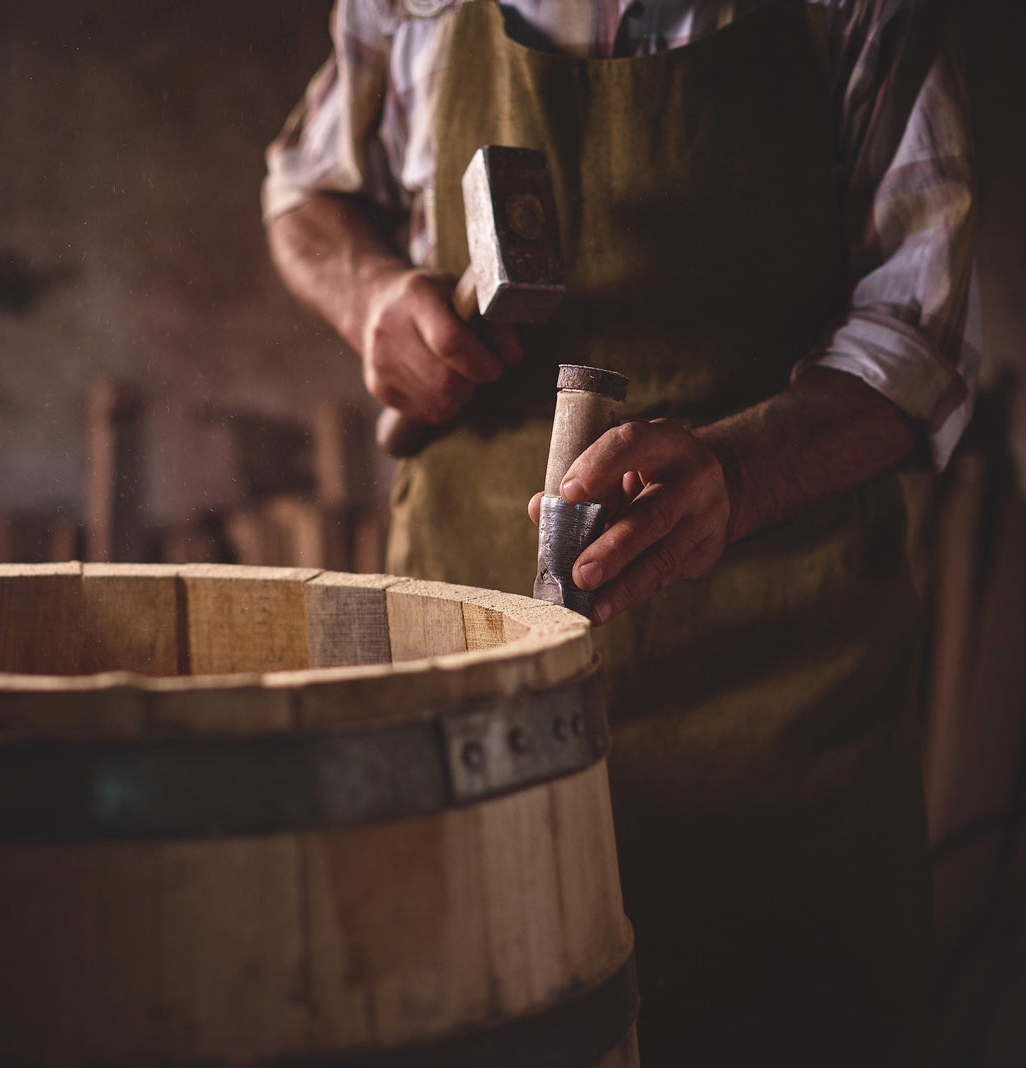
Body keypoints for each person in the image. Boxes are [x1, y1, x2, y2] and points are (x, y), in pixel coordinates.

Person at [263, 1, 975, 1064]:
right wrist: (370, 297)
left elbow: (915, 330)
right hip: (470, 672)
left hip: (782, 683)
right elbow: (303, 194)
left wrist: (737, 471)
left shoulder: (848, 13)